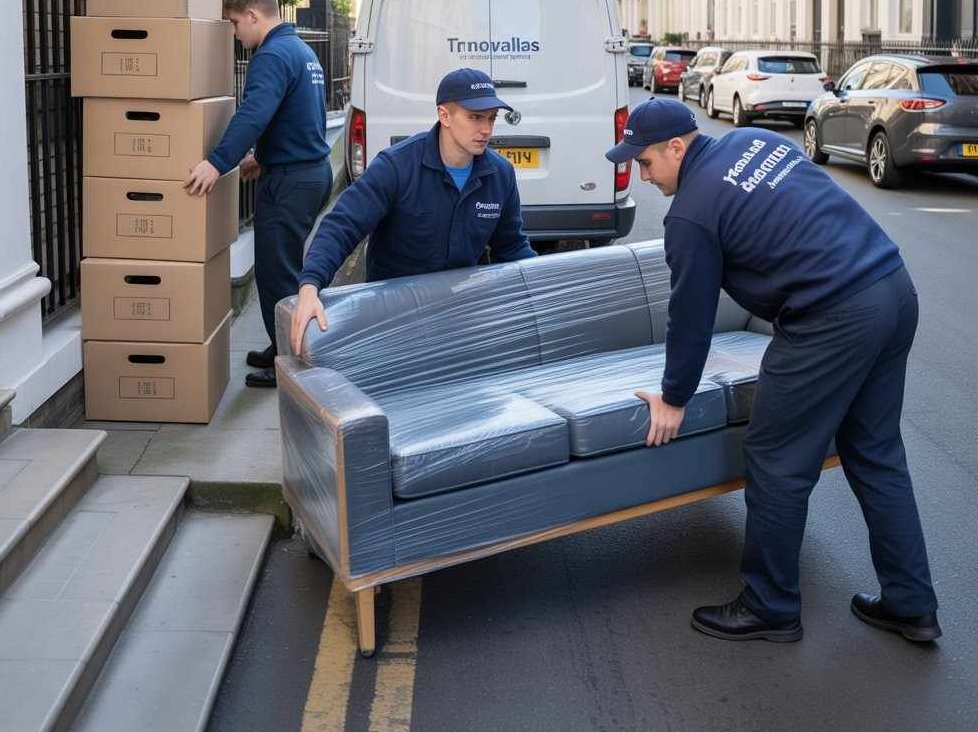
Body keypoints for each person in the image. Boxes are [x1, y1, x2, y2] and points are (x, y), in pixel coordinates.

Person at [605, 97, 940, 644]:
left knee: (777, 460)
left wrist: (673, 398)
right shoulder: (753, 142)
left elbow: (689, 316)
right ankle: (911, 604)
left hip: (832, 317)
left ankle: (771, 605)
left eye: (644, 163)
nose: (643, 177)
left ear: (674, 147)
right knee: (876, 453)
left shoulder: (690, 214)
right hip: (892, 288)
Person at [288, 68, 536, 355]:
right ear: (444, 115)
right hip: (392, 321)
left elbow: (513, 247)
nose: (486, 129)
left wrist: (544, 289)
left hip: (459, 318)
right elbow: (342, 225)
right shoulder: (397, 166)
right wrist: (309, 287)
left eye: (491, 118)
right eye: (475, 117)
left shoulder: (500, 174)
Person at [184, 0, 332, 389]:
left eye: (234, 23)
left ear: (253, 15)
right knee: (286, 266)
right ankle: (280, 342)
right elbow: (299, 118)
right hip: (308, 172)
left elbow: (254, 114)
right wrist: (261, 158)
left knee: (276, 274)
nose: (234, 34)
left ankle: (291, 363)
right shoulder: (301, 51)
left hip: (291, 182)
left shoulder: (271, 55)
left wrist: (217, 163)